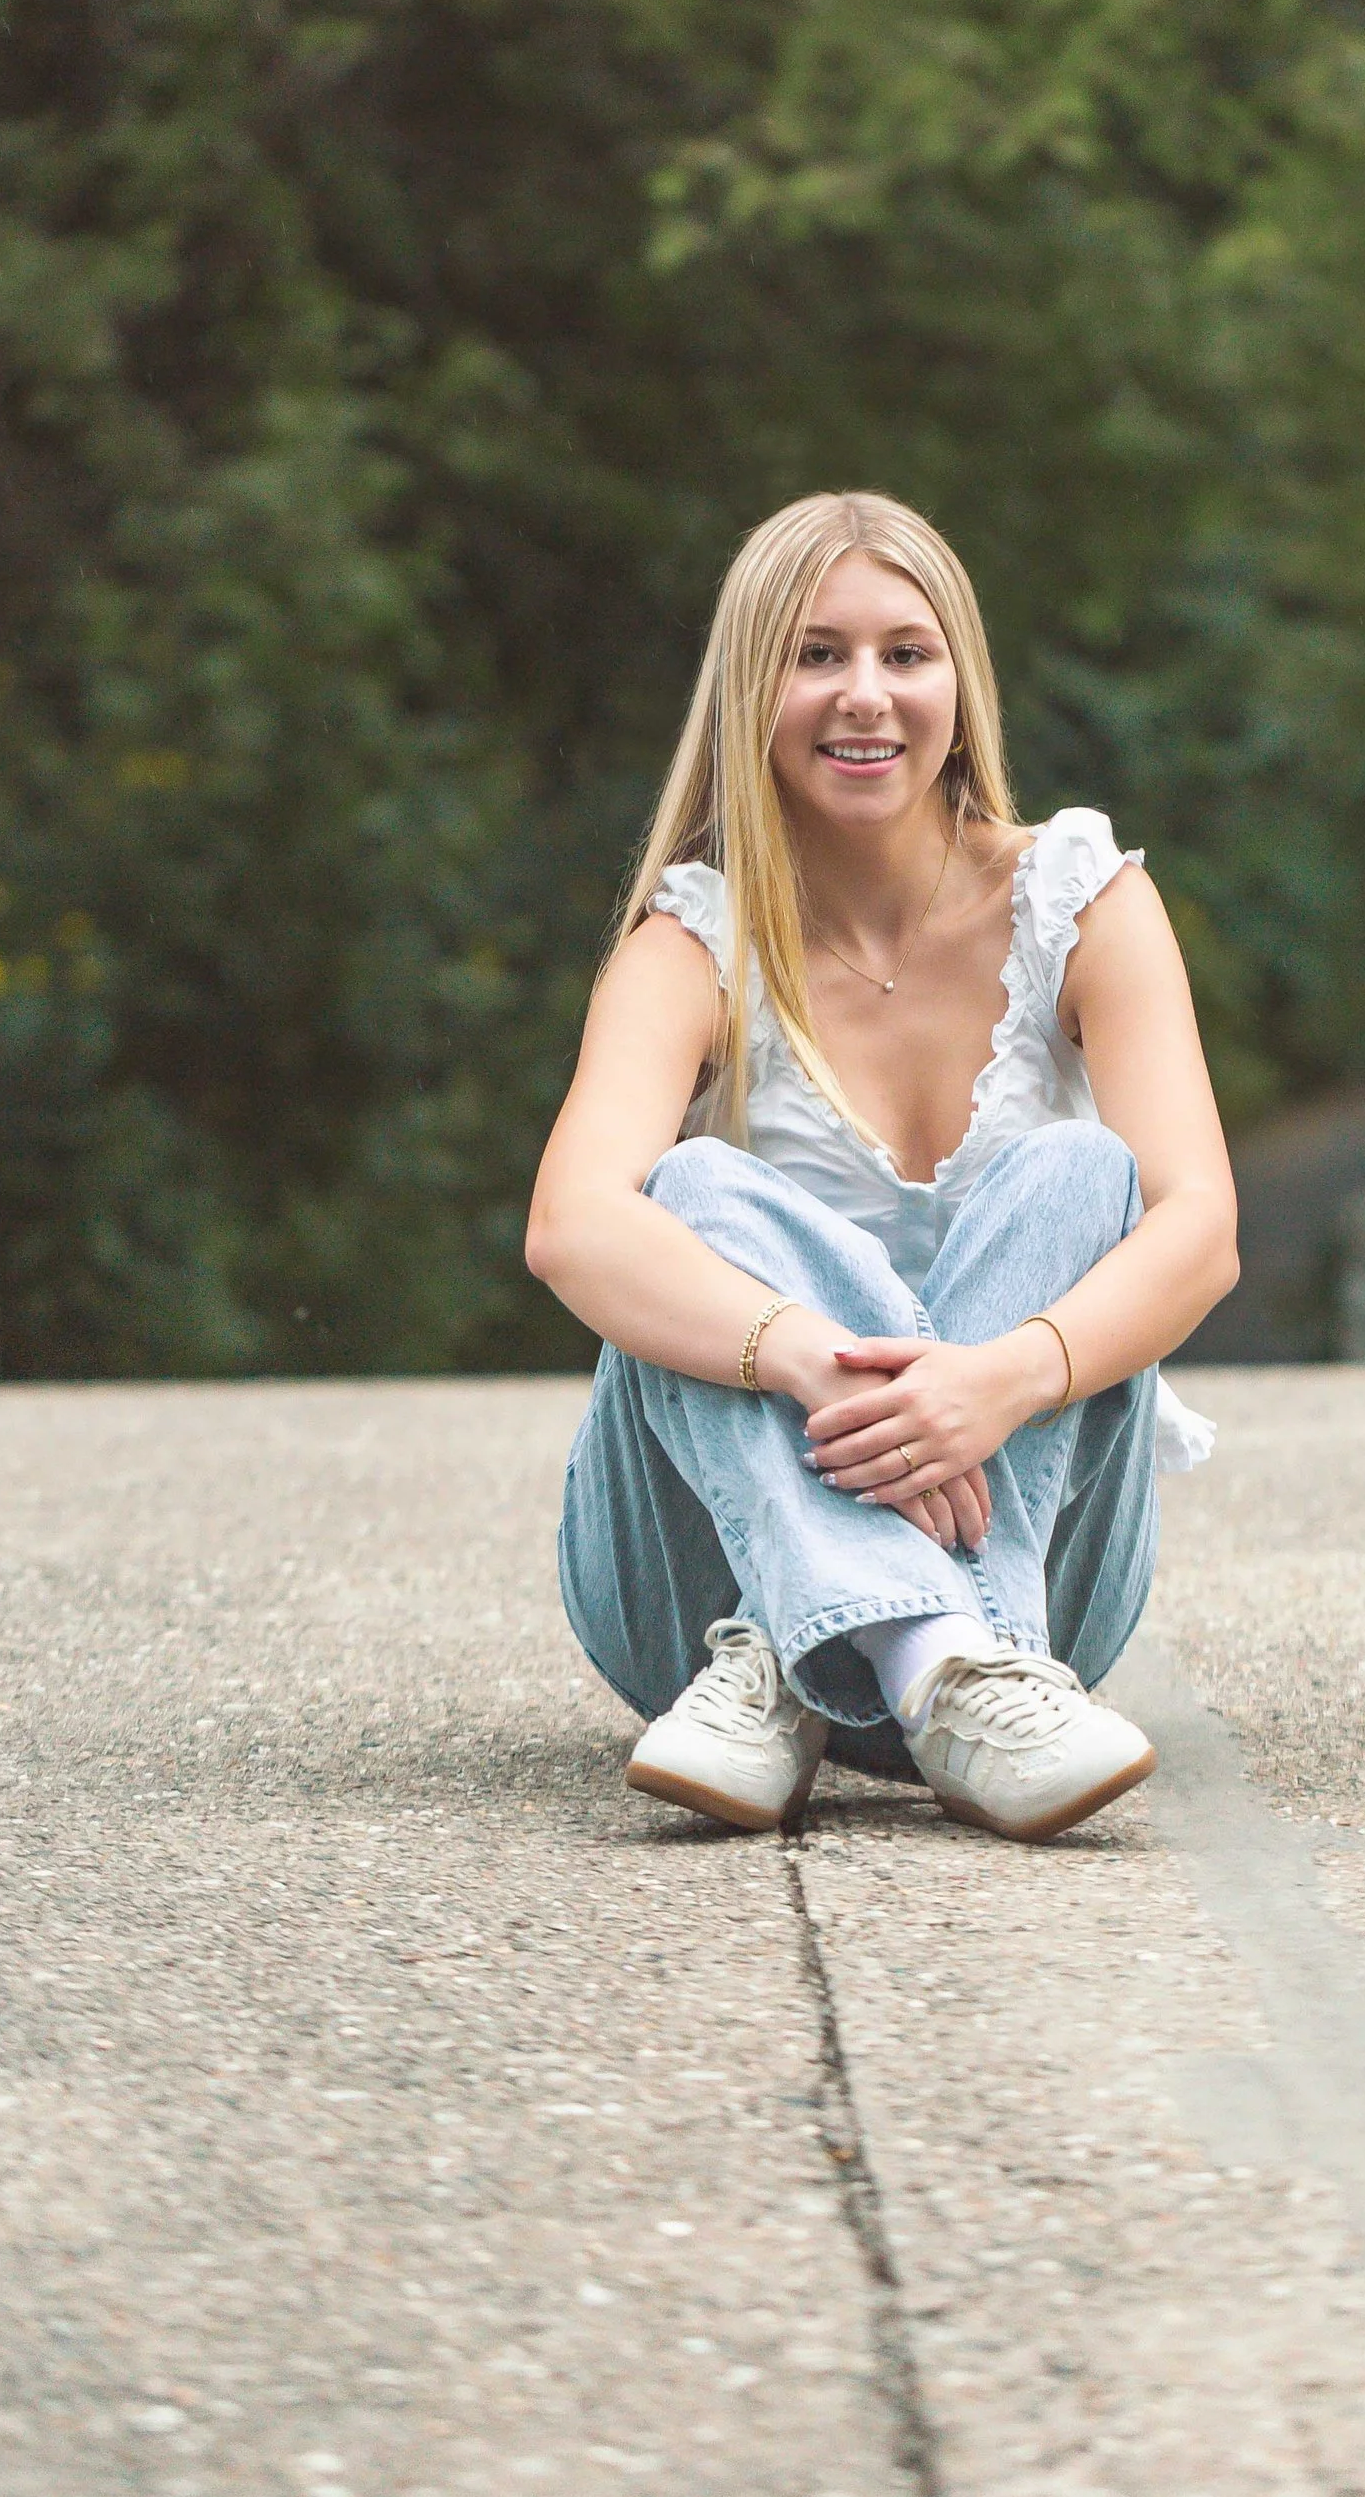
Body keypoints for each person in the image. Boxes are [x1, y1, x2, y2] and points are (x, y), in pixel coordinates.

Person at [528, 491, 1238, 1843]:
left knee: (1087, 1172)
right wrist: (802, 1355)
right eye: (816, 654)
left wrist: (992, 1384)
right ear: (752, 688)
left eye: (906, 653)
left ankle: (919, 1655)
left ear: (961, 684)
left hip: (1038, 1565)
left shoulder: (1082, 900)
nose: (867, 695)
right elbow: (569, 1223)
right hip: (687, 1610)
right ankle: (935, 1667)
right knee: (691, 1197)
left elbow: (1201, 1227)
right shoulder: (693, 940)